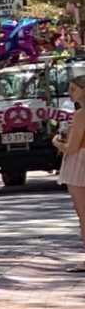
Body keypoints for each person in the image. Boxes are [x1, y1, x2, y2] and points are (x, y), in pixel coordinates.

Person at [63, 75, 85, 252]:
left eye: (73, 89)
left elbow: (71, 148)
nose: (69, 93)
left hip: (80, 162)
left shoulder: (80, 115)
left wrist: (56, 142)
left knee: (83, 213)